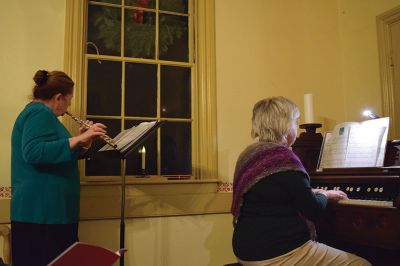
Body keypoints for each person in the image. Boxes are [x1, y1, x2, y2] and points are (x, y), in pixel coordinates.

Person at [231, 96, 371, 266]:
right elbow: (313, 210)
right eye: (296, 122)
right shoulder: (283, 158)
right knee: (361, 263)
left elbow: (270, 193)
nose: (297, 128)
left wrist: (311, 192)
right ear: (286, 126)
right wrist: (325, 194)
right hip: (276, 252)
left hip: (245, 249)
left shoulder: (248, 155)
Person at [11, 70, 108, 266]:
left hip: (50, 212)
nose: (69, 105)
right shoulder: (38, 112)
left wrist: (84, 142)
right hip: (42, 214)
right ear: (58, 98)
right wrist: (78, 138)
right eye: (69, 99)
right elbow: (33, 152)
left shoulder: (43, 115)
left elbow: (56, 155)